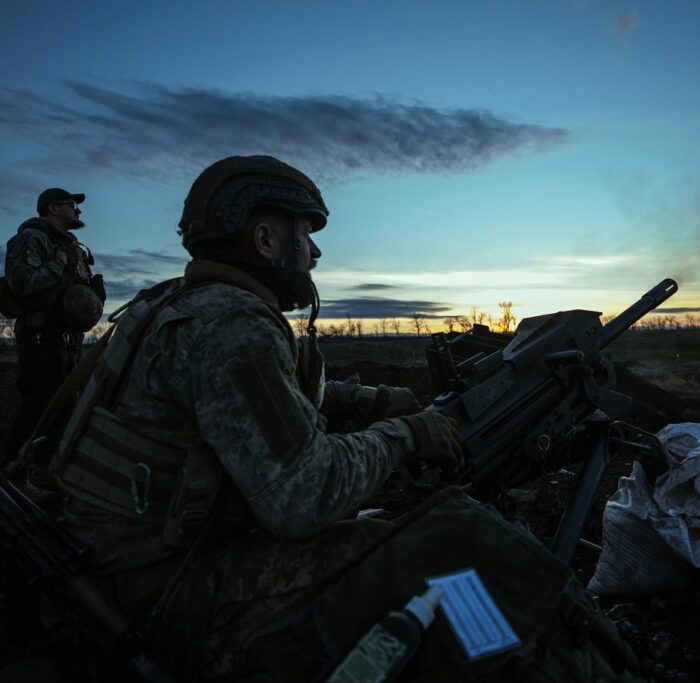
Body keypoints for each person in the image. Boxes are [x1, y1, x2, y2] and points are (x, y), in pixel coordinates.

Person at [51, 155, 464, 677]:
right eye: (305, 235)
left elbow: (246, 400)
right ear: (266, 240)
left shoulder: (180, 303)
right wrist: (405, 434)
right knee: (404, 558)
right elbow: (306, 494)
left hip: (110, 558)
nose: (315, 252)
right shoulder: (232, 323)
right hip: (153, 588)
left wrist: (366, 399)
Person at [1, 188, 104, 469]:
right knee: (39, 404)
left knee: (66, 406)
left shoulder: (73, 248)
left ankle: (44, 475)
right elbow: (21, 284)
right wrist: (58, 263)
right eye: (72, 205)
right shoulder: (30, 239)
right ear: (52, 208)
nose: (78, 210)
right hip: (39, 335)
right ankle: (12, 478)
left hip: (67, 339)